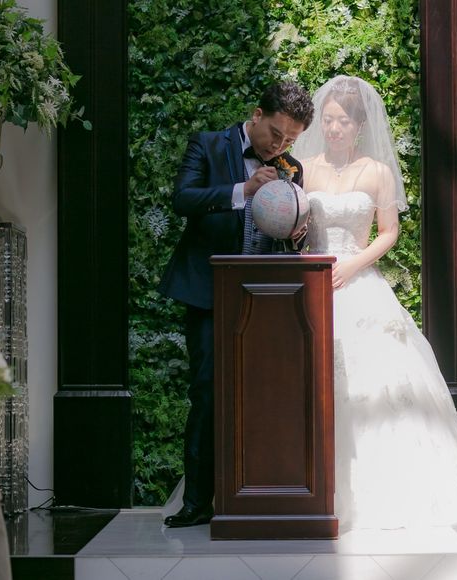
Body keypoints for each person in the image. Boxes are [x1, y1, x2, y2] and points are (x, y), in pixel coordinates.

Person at [292, 75, 457, 530]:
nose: (334, 128)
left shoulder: (377, 172)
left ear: (359, 126)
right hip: (314, 279)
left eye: (343, 121)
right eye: (328, 120)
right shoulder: (304, 169)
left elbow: (389, 233)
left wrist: (352, 265)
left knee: (378, 380)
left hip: (358, 280)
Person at [158, 81, 314, 528]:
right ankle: (196, 503)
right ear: (257, 114)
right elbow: (182, 200)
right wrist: (242, 190)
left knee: (266, 392)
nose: (280, 146)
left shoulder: (292, 168)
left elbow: (287, 232)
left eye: (290, 141)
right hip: (210, 292)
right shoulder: (208, 145)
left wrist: (296, 233)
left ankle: (261, 492)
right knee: (207, 391)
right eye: (276, 134)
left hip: (267, 297)